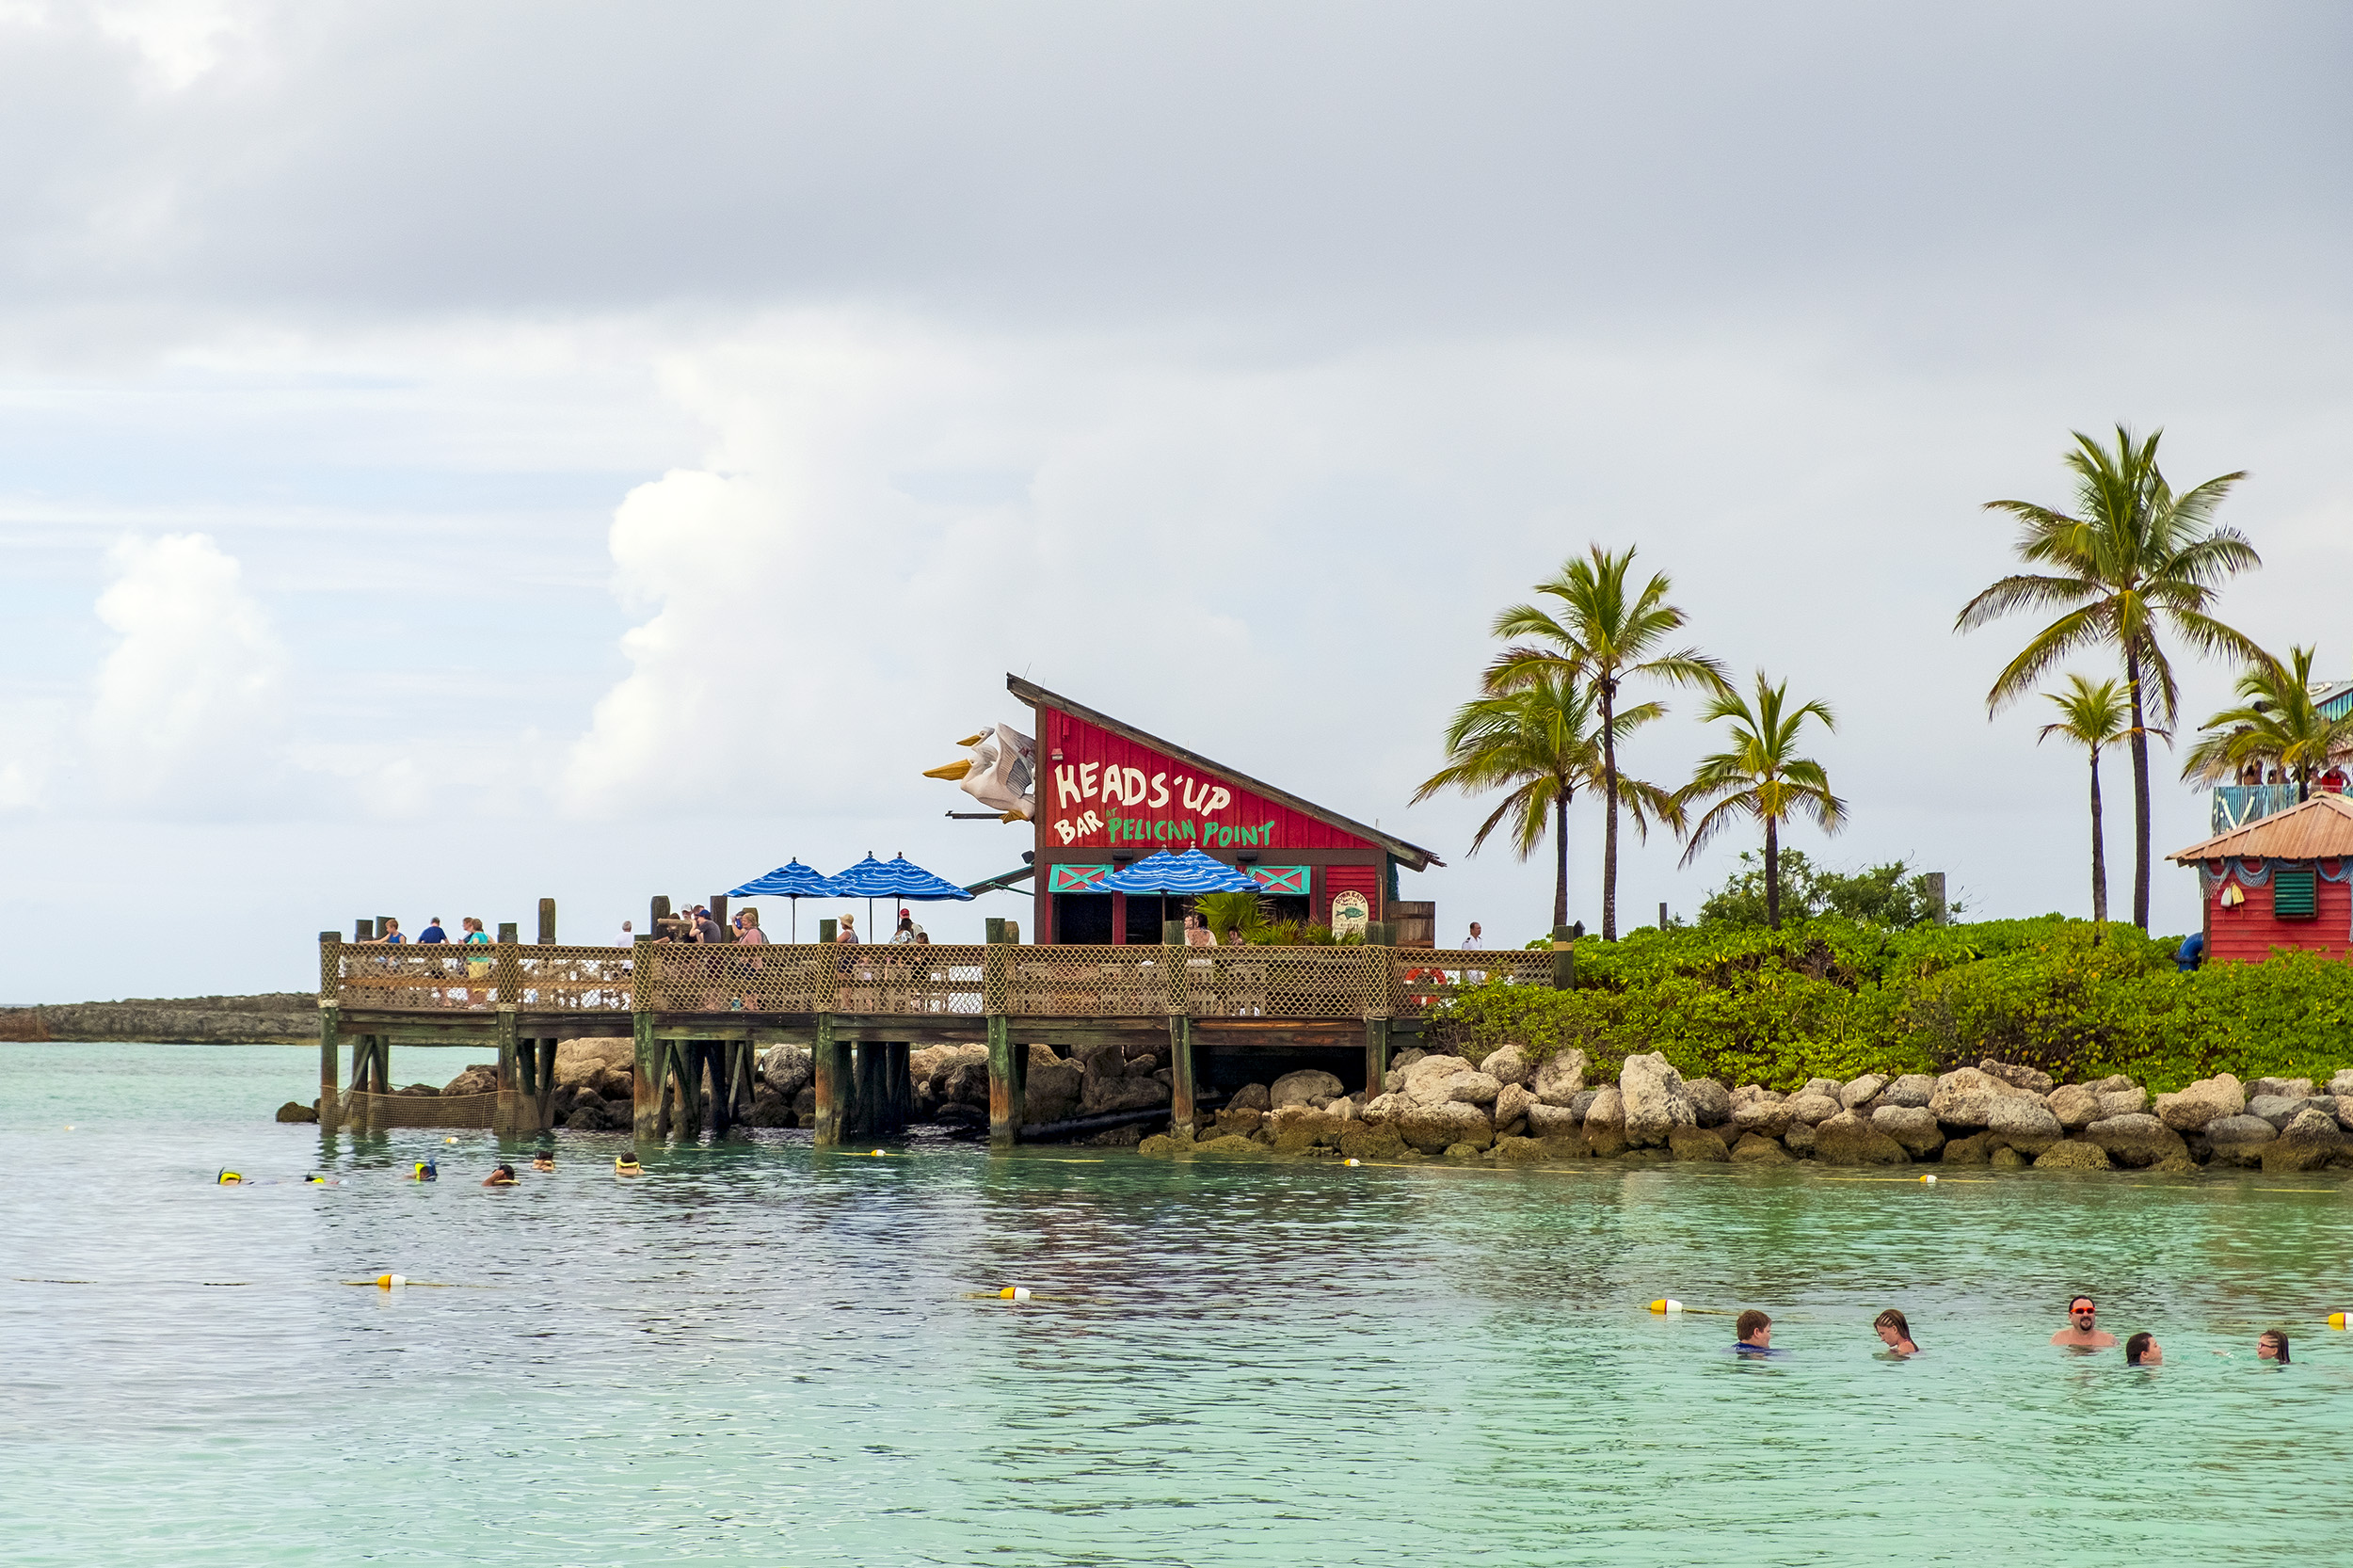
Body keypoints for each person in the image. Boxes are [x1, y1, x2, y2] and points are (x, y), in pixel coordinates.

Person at [2052, 1295, 2117, 1350]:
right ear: (2070, 1316)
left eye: (2090, 1310)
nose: (2086, 1314)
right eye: (2080, 1311)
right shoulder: (2058, 1339)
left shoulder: (2109, 1341)